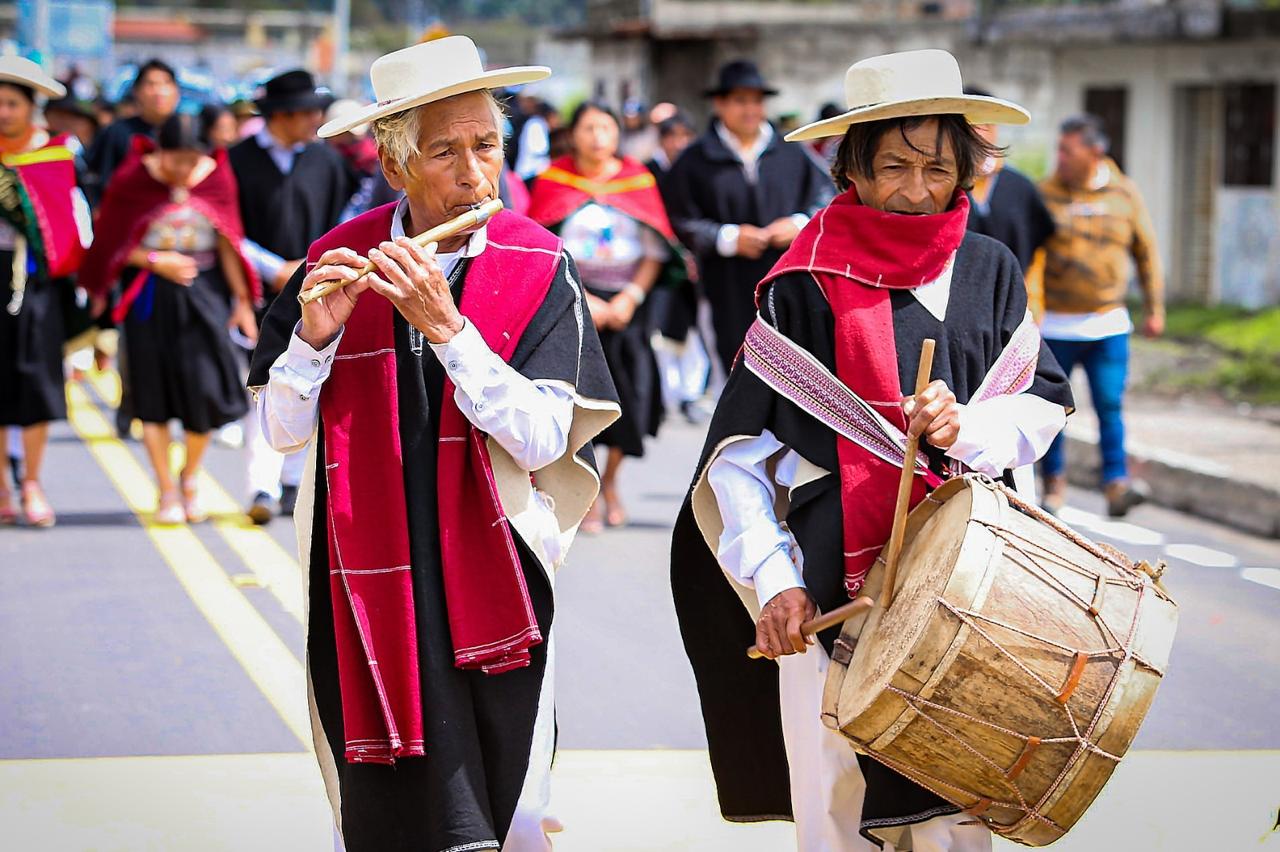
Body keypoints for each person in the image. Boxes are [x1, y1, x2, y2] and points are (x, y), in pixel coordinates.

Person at [670, 49, 1074, 852]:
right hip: (831, 584)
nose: (917, 191)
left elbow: (1042, 403)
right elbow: (739, 460)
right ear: (852, 167)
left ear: (966, 167)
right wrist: (776, 581)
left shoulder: (989, 269)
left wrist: (968, 427)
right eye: (894, 166)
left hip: (968, 582)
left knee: (962, 795)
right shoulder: (803, 282)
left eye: (936, 166)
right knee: (836, 793)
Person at [248, 36, 618, 852]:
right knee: (384, 802)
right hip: (365, 572)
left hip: (498, 570)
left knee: (516, 804)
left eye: (485, 146)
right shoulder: (336, 261)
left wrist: (452, 333)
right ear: (394, 166)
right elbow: (279, 434)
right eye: (444, 152)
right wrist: (312, 341)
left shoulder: (537, 261)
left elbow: (544, 435)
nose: (471, 173)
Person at [80, 112, 260, 524]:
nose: (181, 170)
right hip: (150, 295)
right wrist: (157, 260)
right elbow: (112, 242)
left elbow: (229, 242)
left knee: (205, 391)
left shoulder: (216, 177)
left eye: (189, 160)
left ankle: (190, 476)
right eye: (173, 160)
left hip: (204, 294)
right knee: (152, 394)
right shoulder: (133, 179)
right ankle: (165, 489)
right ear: (158, 152)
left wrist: (242, 300)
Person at [528, 101, 676, 530]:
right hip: (571, 301)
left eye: (606, 128)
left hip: (629, 305)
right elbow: (541, 249)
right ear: (573, 134)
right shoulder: (554, 181)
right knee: (578, 399)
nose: (597, 137)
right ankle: (586, 489)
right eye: (589, 128)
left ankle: (610, 481)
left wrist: (629, 297)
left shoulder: (638, 179)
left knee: (630, 397)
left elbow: (656, 249)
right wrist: (583, 298)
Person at [228, 68, 354, 524]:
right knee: (262, 385)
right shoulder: (237, 160)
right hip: (257, 291)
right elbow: (227, 228)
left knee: (311, 380)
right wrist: (273, 268)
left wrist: (312, 269)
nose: (314, 120)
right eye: (307, 112)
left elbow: (346, 219)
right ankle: (260, 485)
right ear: (282, 115)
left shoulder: (326, 162)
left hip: (320, 291)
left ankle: (292, 483)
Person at [664, 59, 833, 375]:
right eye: (741, 101)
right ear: (720, 103)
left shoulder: (792, 151)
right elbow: (679, 218)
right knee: (735, 367)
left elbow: (826, 199)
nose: (751, 110)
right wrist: (727, 238)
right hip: (726, 285)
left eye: (757, 101)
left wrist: (798, 224)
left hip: (788, 280)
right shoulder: (695, 159)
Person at [1039, 113, 1162, 518]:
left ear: (1095, 152)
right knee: (1054, 409)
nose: (1059, 158)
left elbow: (1146, 251)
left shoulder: (1125, 194)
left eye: (1067, 150)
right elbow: (1032, 257)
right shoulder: (1046, 194)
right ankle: (1053, 485)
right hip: (1056, 322)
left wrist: (1154, 307)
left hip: (1108, 324)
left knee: (1109, 404)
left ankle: (1116, 485)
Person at [0, 57, 91, 527]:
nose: (2, 112)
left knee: (34, 382)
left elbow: (67, 229)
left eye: (11, 103)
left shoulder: (54, 158)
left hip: (36, 286)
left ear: (31, 108)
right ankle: (2, 486)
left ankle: (31, 481)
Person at [962, 86, 1056, 320]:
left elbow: (1037, 251)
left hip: (1014, 307)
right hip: (959, 305)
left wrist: (1034, 300)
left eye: (986, 124)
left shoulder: (1021, 188)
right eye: (970, 124)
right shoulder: (942, 187)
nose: (978, 132)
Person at [646, 111, 712, 422]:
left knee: (693, 331)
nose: (679, 143)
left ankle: (690, 394)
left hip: (694, 264)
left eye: (685, 136)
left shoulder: (697, 171)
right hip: (659, 265)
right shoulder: (649, 172)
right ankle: (662, 396)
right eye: (673, 136)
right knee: (658, 332)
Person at [84, 59, 179, 204]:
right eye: (151, 84)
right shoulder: (117, 132)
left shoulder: (188, 133)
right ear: (137, 92)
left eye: (166, 83)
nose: (159, 92)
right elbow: (101, 182)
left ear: (176, 92)